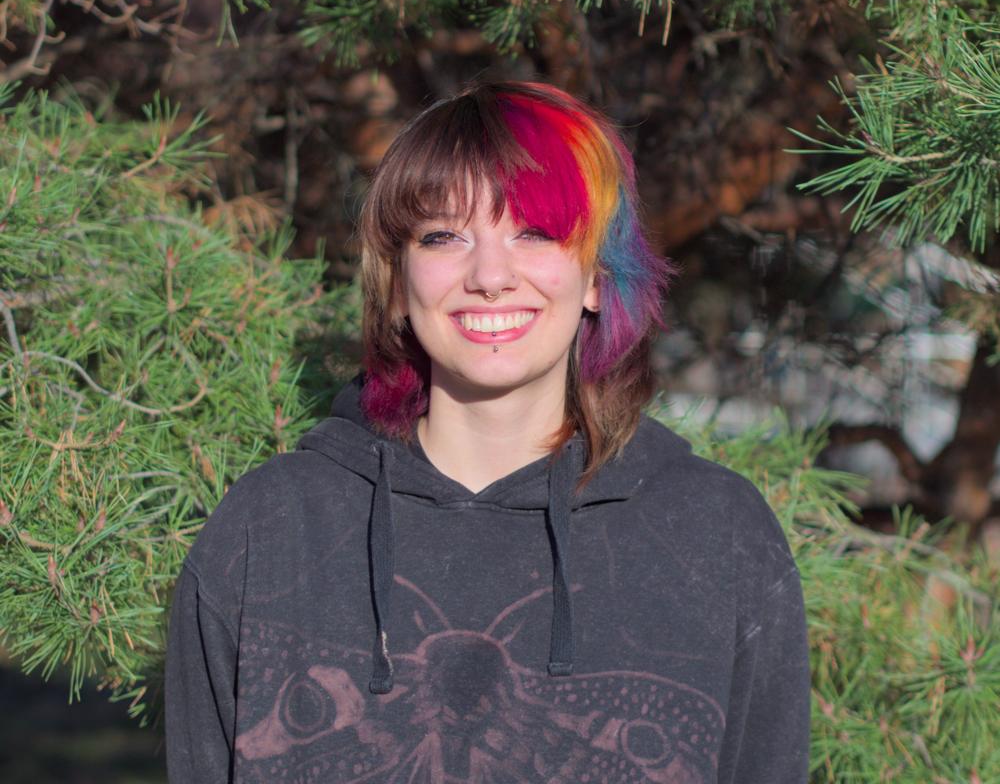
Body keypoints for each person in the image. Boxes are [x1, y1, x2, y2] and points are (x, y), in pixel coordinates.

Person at [164, 78, 811, 783]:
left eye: (534, 232)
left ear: (597, 274)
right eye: (444, 235)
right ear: (399, 280)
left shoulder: (715, 536)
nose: (490, 275)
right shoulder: (272, 527)